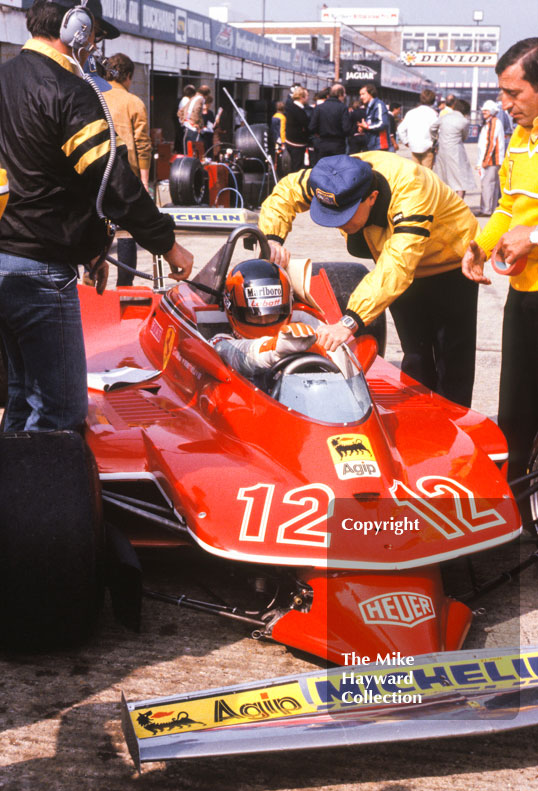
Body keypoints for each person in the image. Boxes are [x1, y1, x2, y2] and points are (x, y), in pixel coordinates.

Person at [0, 0, 193, 433]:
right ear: (77, 28)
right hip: (41, 273)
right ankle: (39, 502)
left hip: (6, 260)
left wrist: (94, 249)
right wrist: (167, 243)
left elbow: (48, 177)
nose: (94, 47)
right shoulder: (69, 91)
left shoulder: (4, 77)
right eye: (95, 36)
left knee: (20, 396)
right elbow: (112, 183)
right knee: (61, 412)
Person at [259, 153, 480, 407]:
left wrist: (349, 320)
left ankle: (456, 430)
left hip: (450, 260)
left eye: (345, 216)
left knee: (453, 361)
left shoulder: (411, 189)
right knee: (415, 357)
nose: (337, 224)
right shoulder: (333, 178)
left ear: (372, 198)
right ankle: (421, 426)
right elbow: (286, 191)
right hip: (398, 261)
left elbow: (397, 264)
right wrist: (272, 237)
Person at [462, 37, 538, 483]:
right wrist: (480, 244)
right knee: (514, 410)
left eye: (515, 93)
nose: (504, 103)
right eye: (502, 93)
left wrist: (533, 237)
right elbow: (508, 207)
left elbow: (526, 226)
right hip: (524, 294)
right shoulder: (521, 139)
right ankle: (514, 512)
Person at [211, 260, 319, 376]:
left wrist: (316, 347)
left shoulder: (301, 329)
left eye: (272, 314)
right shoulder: (220, 343)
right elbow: (234, 353)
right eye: (254, 315)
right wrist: (273, 347)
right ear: (233, 311)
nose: (264, 321)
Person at [104, 52, 152, 287]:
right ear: (129, 76)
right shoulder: (134, 103)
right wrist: (144, 180)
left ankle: (89, 279)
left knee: (98, 229)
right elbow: (143, 144)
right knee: (126, 232)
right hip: (126, 177)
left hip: (95, 176)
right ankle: (124, 286)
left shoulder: (93, 96)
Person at [430, 99, 476, 199]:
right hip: (456, 150)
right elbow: (464, 137)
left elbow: (432, 128)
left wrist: (436, 139)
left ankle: (445, 202)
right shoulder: (464, 122)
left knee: (443, 176)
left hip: (442, 150)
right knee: (461, 178)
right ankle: (459, 202)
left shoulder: (444, 117)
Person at [475, 100, 505, 216]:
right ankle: (488, 208)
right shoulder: (490, 122)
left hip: (492, 160)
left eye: (486, 110)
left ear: (492, 111)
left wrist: (485, 161)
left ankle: (487, 210)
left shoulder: (494, 123)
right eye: (483, 110)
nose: (484, 112)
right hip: (491, 160)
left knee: (488, 185)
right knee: (490, 185)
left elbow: (490, 143)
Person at [309, 83, 352, 162]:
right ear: (340, 94)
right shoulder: (343, 108)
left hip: (322, 143)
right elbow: (346, 129)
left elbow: (312, 127)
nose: (344, 96)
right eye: (344, 94)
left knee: (323, 169)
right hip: (338, 144)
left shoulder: (319, 108)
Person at [397, 89, 438, 168]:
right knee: (427, 174)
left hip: (414, 147)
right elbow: (437, 131)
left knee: (417, 173)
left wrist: (406, 141)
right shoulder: (433, 114)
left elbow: (400, 128)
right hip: (428, 148)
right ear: (433, 100)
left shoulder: (411, 113)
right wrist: (436, 144)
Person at [357, 84, 392, 151]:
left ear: (371, 93)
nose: (361, 97)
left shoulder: (378, 104)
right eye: (360, 95)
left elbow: (382, 123)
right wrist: (364, 128)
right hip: (372, 145)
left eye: (363, 94)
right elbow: (372, 124)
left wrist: (367, 127)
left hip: (380, 145)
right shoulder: (369, 107)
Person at [284, 87, 310, 172]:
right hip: (297, 144)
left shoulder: (290, 107)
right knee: (297, 168)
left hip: (289, 141)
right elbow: (306, 124)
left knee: (292, 166)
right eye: (307, 96)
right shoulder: (298, 110)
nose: (308, 98)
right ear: (302, 97)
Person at [183, 84, 211, 154]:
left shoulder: (193, 97)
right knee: (195, 149)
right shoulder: (200, 99)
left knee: (187, 149)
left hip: (187, 125)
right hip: (193, 127)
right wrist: (197, 124)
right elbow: (197, 110)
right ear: (206, 95)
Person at [176, 84, 195, 153]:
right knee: (186, 147)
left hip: (186, 126)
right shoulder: (185, 101)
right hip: (185, 127)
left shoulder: (185, 100)